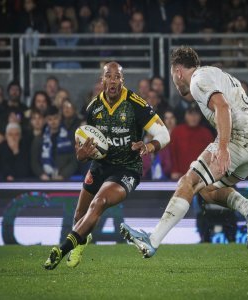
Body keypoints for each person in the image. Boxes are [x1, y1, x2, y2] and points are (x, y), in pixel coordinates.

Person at [120, 46, 248, 258]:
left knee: (187, 182)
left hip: (237, 139)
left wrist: (224, 147)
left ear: (178, 71)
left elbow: (223, 108)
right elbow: (245, 110)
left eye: (172, 75)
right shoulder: (219, 75)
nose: (174, 81)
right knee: (206, 189)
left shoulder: (198, 80)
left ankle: (152, 240)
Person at [43, 61, 170, 270]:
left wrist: (148, 147)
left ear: (122, 81)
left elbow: (164, 134)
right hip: (100, 166)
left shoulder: (136, 104)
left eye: (117, 76)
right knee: (79, 216)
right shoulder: (93, 108)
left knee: (99, 202)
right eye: (108, 76)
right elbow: (86, 148)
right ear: (102, 80)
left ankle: (62, 248)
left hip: (127, 169)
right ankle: (81, 242)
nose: (113, 80)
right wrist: (81, 154)